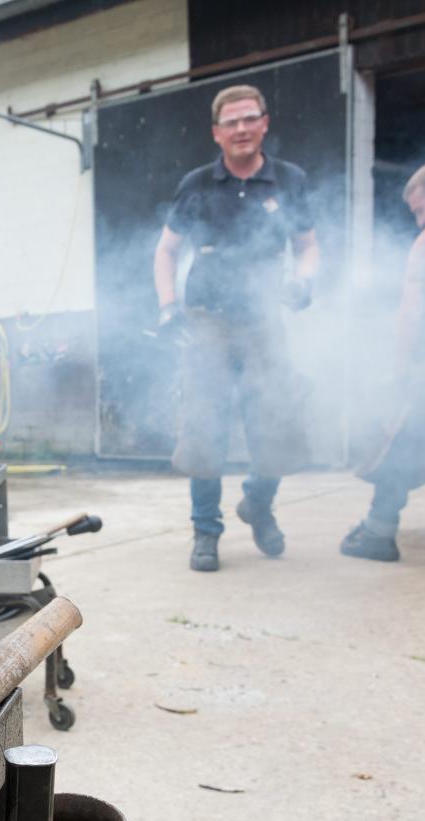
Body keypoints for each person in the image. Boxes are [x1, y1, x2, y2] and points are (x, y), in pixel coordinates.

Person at [153, 84, 320, 572]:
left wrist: (303, 281)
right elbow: (166, 250)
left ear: (265, 123)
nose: (242, 129)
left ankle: (259, 503)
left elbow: (309, 245)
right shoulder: (197, 184)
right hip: (206, 320)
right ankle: (206, 531)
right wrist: (167, 306)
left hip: (265, 318)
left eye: (250, 119)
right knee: (204, 426)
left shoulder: (289, 180)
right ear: (216, 133)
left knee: (277, 420)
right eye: (232, 122)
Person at [340, 162, 425, 561]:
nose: (419, 222)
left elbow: (411, 312)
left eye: (420, 210)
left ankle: (378, 532)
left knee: (402, 437)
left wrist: (399, 375)